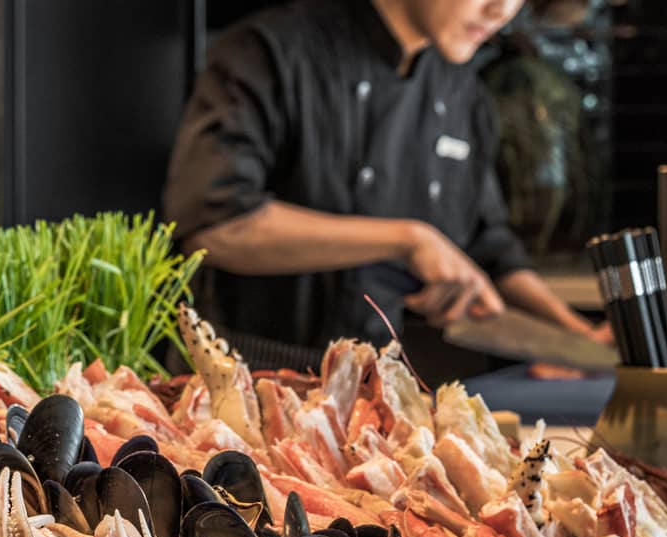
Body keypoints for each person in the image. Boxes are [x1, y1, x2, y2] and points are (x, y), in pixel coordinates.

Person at [163, 0, 607, 371]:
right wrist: (407, 240)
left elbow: (489, 247)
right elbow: (216, 224)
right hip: (239, 377)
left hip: (373, 388)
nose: (501, 11)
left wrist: (577, 338)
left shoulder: (461, 92)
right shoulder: (270, 52)